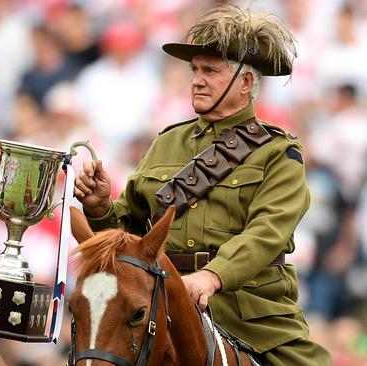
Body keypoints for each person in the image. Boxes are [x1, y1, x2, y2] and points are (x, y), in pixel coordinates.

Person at [74, 4, 331, 365]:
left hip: (251, 318)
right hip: (159, 310)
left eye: (210, 70)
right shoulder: (166, 142)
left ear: (246, 82)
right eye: (195, 69)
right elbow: (130, 233)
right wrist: (100, 208)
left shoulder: (278, 153)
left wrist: (211, 277)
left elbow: (266, 233)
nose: (196, 79)